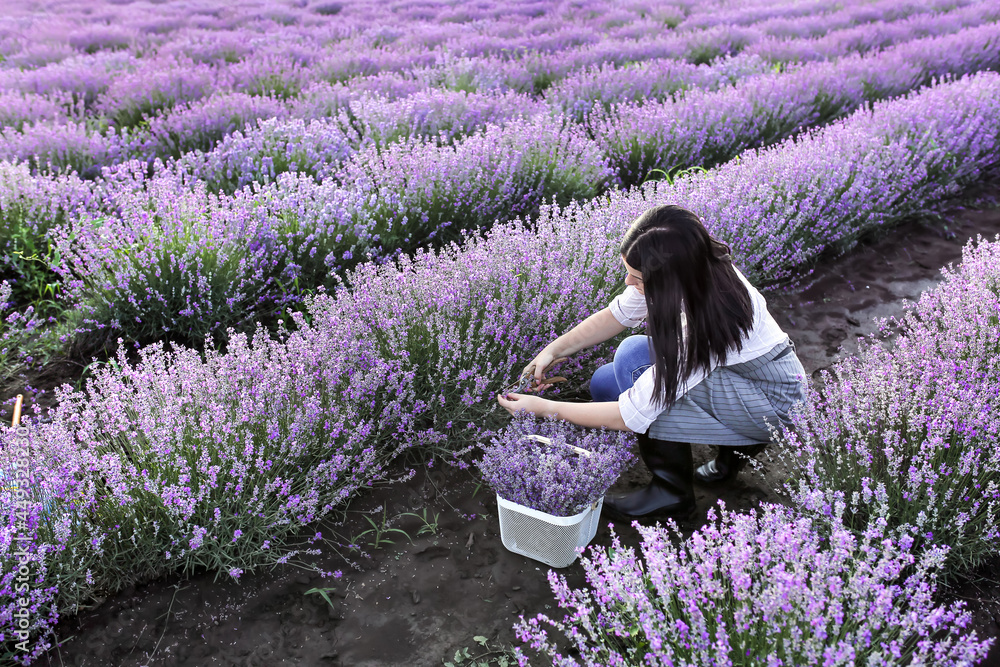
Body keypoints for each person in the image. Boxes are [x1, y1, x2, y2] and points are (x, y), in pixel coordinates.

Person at [497, 205, 806, 521]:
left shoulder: (712, 317)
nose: (629, 282)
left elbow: (632, 414)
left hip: (771, 402)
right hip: (746, 380)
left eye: (637, 276)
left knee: (634, 363)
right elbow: (616, 315)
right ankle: (732, 453)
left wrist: (542, 408)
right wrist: (552, 350)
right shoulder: (691, 268)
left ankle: (671, 495)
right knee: (605, 382)